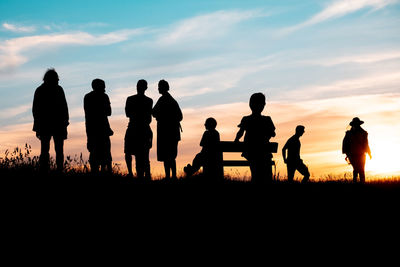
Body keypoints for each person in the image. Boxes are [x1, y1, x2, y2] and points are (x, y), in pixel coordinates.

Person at [32, 68, 69, 173]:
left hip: (55, 124)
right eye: (56, 79)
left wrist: (65, 122)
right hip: (49, 125)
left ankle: (55, 169)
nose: (58, 80)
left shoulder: (49, 90)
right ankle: (49, 169)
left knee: (52, 150)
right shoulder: (44, 90)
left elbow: (64, 108)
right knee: (49, 150)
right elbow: (36, 110)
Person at [234, 93, 276, 183]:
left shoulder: (246, 119)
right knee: (266, 174)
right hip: (264, 152)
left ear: (250, 105)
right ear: (263, 105)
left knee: (256, 174)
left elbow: (240, 133)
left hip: (251, 153)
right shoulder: (267, 119)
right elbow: (273, 134)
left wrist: (236, 141)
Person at [152, 80, 183, 180]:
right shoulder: (171, 100)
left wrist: (163, 117)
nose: (158, 89)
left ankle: (170, 176)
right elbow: (180, 116)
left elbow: (154, 112)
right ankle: (171, 176)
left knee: (167, 156)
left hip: (166, 132)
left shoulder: (163, 99)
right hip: (172, 132)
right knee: (170, 156)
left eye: (159, 87)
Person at [124, 79, 153, 180]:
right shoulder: (148, 101)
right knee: (136, 153)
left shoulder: (131, 99)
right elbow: (148, 118)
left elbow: (128, 113)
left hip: (137, 128)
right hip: (139, 128)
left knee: (141, 154)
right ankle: (134, 173)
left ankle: (140, 174)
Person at [84, 79, 113, 173]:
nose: (104, 88)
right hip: (101, 129)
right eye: (103, 86)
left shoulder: (88, 97)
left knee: (96, 155)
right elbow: (109, 112)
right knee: (105, 155)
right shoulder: (104, 97)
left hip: (93, 129)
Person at [342, 117, 372, 183]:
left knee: (360, 170)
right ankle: (357, 182)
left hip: (360, 154)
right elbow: (345, 144)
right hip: (353, 154)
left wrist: (369, 153)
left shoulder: (363, 133)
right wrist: (347, 153)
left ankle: (361, 183)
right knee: (357, 169)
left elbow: (366, 144)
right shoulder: (349, 134)